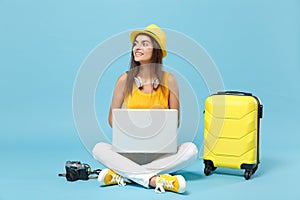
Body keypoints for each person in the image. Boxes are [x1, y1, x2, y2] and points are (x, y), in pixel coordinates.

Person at [92, 24, 198, 194]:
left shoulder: (169, 80)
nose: (137, 48)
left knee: (191, 150)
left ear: (156, 50)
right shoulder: (123, 80)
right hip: (129, 152)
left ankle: (125, 175)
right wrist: (133, 126)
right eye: (135, 44)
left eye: (144, 44)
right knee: (98, 149)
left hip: (160, 153)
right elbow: (112, 119)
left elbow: (175, 121)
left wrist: (156, 123)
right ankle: (155, 180)